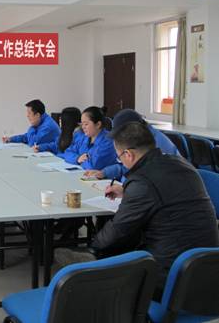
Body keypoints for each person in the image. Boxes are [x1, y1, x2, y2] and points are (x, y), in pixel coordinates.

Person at [91, 122, 219, 294]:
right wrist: (127, 191)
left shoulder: (142, 182)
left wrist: (92, 247)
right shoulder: (182, 164)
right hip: (207, 266)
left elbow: (118, 230)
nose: (120, 161)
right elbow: (166, 192)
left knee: (112, 248)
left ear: (128, 154)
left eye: (119, 157)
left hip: (172, 276)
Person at [84, 108, 180, 181]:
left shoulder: (153, 144)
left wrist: (125, 189)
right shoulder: (140, 137)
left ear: (133, 129)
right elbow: (126, 166)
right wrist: (104, 172)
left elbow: (144, 177)